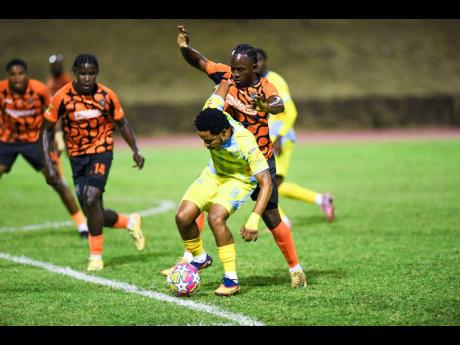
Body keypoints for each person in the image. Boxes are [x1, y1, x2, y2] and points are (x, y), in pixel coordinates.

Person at [175, 25, 307, 288]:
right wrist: (184, 48)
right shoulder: (226, 76)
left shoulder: (264, 86)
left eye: (240, 70)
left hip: (257, 158)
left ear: (254, 68)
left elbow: (278, 104)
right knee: (203, 203)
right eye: (233, 68)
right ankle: (196, 255)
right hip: (228, 154)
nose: (234, 74)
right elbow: (200, 62)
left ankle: (295, 268)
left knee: (271, 217)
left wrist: (265, 106)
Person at [40, 54, 146, 271]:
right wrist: (49, 162)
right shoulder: (62, 96)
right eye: (82, 73)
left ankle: (95, 257)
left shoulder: (106, 96)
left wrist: (135, 149)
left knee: (91, 197)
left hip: (101, 151)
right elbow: (45, 130)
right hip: (76, 157)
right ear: (75, 73)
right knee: (93, 211)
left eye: (91, 74)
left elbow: (122, 123)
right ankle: (129, 221)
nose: (87, 78)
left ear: (96, 74)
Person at [173, 80, 272, 296]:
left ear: (225, 133)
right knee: (182, 217)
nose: (206, 145)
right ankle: (199, 257)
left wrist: (254, 219)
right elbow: (221, 90)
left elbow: (266, 182)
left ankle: (231, 280)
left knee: (216, 218)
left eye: (209, 141)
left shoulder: (246, 142)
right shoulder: (211, 111)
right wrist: (227, 81)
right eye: (203, 140)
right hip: (214, 174)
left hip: (239, 180)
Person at [0, 58, 88, 237]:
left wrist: (57, 137)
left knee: (56, 180)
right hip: (7, 141)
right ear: (8, 77)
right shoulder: (1, 90)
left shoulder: (39, 89)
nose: (17, 78)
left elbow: (52, 113)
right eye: (13, 75)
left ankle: (82, 224)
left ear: (26, 74)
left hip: (34, 141)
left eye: (20, 74)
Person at [255, 48, 335, 227]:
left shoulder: (275, 80)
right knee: (274, 185)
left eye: (259, 60)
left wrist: (280, 137)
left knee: (268, 184)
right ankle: (322, 199)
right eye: (253, 61)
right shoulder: (256, 82)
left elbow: (291, 111)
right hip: (268, 139)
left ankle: (282, 222)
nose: (256, 64)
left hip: (279, 140)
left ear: (266, 61)